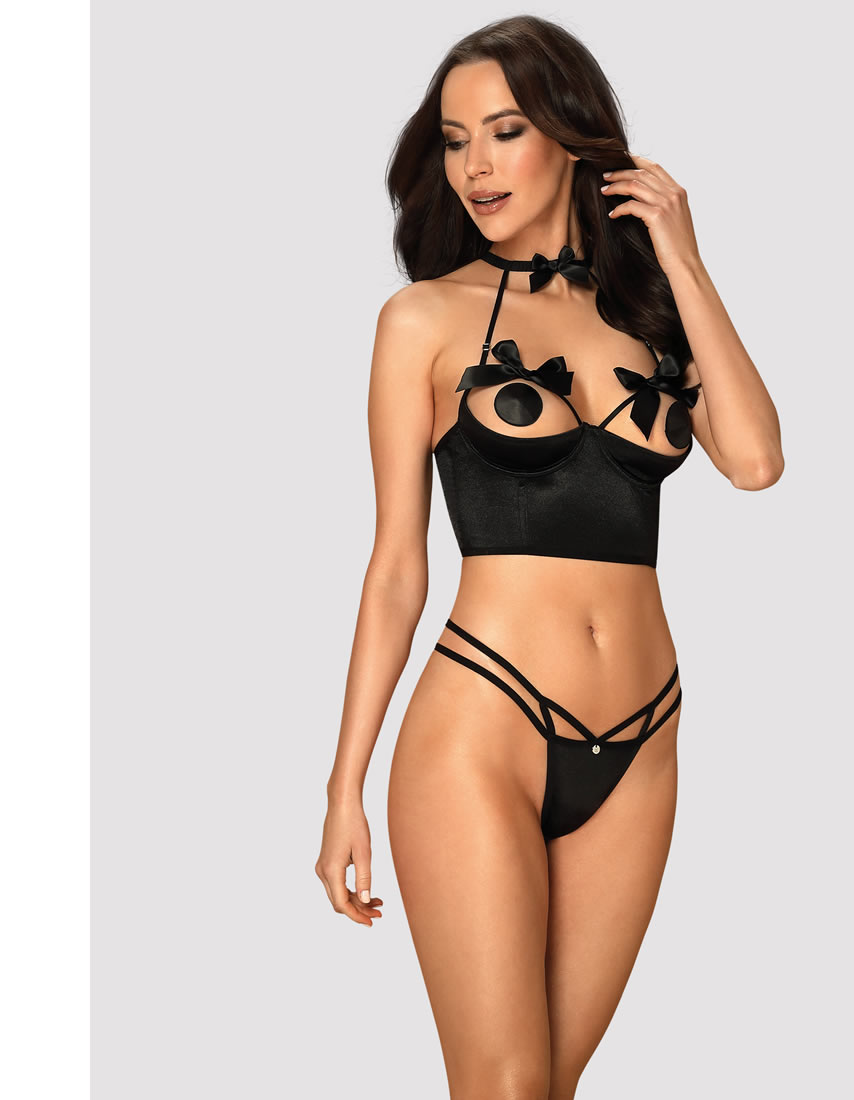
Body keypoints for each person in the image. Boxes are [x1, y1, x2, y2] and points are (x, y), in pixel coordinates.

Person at [316, 14, 783, 1099]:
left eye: (504, 131)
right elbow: (396, 567)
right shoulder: (422, 319)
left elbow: (756, 461)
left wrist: (682, 257)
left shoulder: (649, 317)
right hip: (483, 722)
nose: (474, 166)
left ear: (571, 137)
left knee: (549, 1090)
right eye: (453, 140)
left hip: (644, 733)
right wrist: (344, 785)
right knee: (503, 1086)